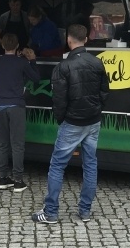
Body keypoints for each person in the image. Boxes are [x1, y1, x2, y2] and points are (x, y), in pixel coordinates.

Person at [31, 24, 110, 224]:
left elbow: (58, 100)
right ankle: (85, 211)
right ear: (86, 39)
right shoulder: (97, 63)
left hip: (72, 122)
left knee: (57, 165)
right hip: (93, 122)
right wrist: (96, 109)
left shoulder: (63, 67)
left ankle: (50, 212)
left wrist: (62, 120)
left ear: (68, 40)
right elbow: (104, 93)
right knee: (90, 164)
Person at [0, 33, 40, 192]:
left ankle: (3, 178)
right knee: (17, 144)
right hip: (16, 105)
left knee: (2, 144)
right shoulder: (22, 63)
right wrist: (32, 60)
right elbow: (36, 78)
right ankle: (18, 180)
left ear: (3, 46)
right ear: (18, 46)